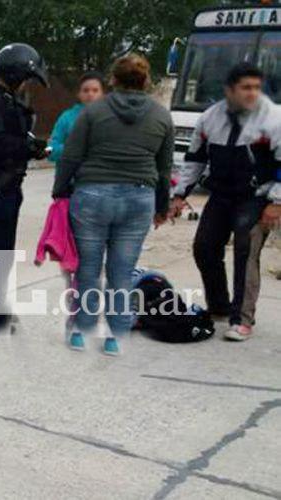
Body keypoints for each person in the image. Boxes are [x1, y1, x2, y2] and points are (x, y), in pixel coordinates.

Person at [53, 54, 174, 356]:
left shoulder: (93, 113)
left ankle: (80, 332)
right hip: (138, 199)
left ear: (113, 80)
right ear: (146, 81)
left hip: (92, 196)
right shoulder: (161, 115)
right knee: (122, 271)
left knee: (88, 269)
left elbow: (71, 155)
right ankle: (115, 337)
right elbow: (164, 168)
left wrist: (59, 191)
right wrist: (162, 206)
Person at [170, 63, 281, 341]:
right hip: (221, 194)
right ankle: (219, 306)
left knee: (245, 253)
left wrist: (276, 202)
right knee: (204, 247)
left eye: (257, 87)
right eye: (246, 87)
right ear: (229, 91)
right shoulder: (210, 118)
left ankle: (242, 319)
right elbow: (195, 159)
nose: (252, 93)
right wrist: (180, 195)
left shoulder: (274, 120)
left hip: (256, 197)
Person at [0, 43, 50, 332]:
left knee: (2, 253)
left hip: (7, 190)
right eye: (27, 78)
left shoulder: (5, 102)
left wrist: (31, 146)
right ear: (15, 74)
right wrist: (29, 147)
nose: (28, 84)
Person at [48, 72, 106, 165]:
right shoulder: (66, 117)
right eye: (85, 90)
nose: (90, 94)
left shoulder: (111, 117)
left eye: (95, 90)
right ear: (78, 94)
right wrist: (76, 149)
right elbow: (50, 150)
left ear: (103, 94)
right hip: (72, 176)